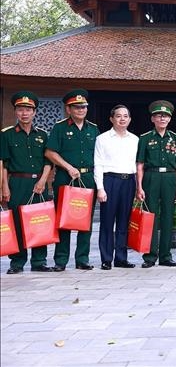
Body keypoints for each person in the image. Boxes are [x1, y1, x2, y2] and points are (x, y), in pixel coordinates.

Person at [45, 89, 99, 271]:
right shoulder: (59, 127)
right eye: (76, 107)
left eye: (83, 107)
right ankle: (61, 260)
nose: (81, 110)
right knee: (63, 219)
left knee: (85, 219)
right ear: (68, 109)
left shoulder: (93, 128)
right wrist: (68, 167)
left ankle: (82, 259)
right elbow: (50, 152)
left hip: (88, 177)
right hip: (65, 177)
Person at [1, 92, 54, 274]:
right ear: (16, 112)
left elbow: (49, 162)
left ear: (34, 112)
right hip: (17, 182)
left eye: (28, 110)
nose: (24, 113)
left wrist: (43, 181)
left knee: (40, 221)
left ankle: (39, 261)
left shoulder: (43, 135)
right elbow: (4, 163)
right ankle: (17, 262)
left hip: (39, 183)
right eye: (21, 109)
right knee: (16, 221)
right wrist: (4, 186)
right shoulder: (7, 135)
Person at [136, 100, 176, 268]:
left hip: (170, 178)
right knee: (150, 217)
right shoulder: (145, 138)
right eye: (159, 116)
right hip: (151, 177)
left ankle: (165, 255)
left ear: (169, 119)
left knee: (168, 216)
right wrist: (139, 186)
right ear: (153, 119)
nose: (162, 119)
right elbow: (140, 164)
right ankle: (150, 256)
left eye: (166, 116)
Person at [93, 104, 139, 270]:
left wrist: (138, 187)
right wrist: (100, 187)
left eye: (125, 116)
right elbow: (98, 164)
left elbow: (137, 165)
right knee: (107, 221)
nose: (122, 119)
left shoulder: (135, 140)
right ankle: (106, 258)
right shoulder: (102, 139)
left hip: (128, 182)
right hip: (109, 181)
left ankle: (121, 257)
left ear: (129, 119)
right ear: (111, 119)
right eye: (118, 116)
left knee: (124, 222)